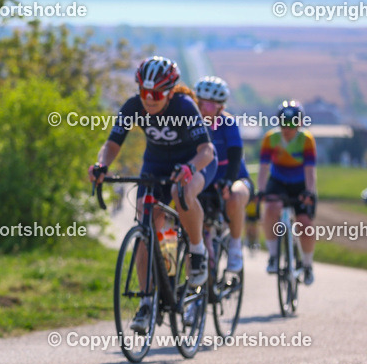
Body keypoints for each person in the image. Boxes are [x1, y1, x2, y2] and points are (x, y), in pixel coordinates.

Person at [89, 56, 217, 334]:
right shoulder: (133, 106)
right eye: (144, 92)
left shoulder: (184, 106)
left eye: (156, 94)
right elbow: (112, 144)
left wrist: (189, 168)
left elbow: (206, 150)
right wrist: (102, 165)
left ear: (170, 92)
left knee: (181, 192)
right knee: (147, 224)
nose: (149, 99)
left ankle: (197, 251)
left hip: (194, 162)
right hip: (155, 165)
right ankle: (147, 302)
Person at [193, 76, 252, 272]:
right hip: (206, 181)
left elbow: (235, 157)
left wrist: (229, 180)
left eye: (209, 105)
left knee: (234, 196)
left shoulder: (228, 124)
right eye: (199, 103)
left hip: (234, 177)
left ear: (220, 107)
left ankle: (235, 247)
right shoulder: (192, 124)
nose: (203, 109)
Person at [258, 100, 317, 285]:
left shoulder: (306, 139)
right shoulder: (270, 138)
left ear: (300, 123)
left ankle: (307, 264)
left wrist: (309, 192)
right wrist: (261, 190)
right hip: (278, 181)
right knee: (270, 209)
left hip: (300, 183)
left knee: (305, 223)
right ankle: (273, 256)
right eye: (284, 123)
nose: (287, 128)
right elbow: (263, 168)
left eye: (292, 124)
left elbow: (310, 171)